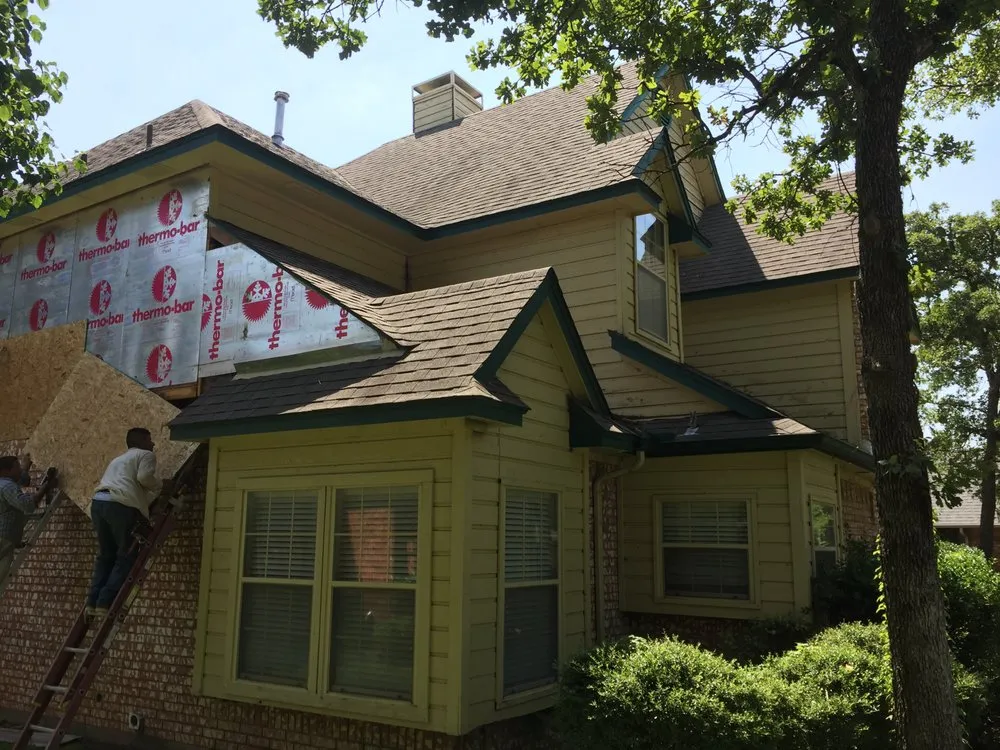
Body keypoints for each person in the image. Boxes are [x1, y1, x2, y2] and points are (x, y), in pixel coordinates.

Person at [87, 427, 170, 620]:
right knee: (126, 554)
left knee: (106, 554)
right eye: (150, 440)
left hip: (99, 503)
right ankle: (105, 602)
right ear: (140, 441)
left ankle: (92, 602)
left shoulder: (118, 460)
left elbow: (135, 485)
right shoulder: (146, 455)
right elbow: (144, 478)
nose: (153, 444)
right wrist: (162, 486)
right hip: (119, 505)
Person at [0, 454, 58, 581]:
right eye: (17, 467)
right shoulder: (6, 486)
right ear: (6, 471)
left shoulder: (4, 483)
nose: (20, 470)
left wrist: (27, 465)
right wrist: (46, 487)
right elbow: (28, 505)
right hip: (3, 539)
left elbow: (23, 480)